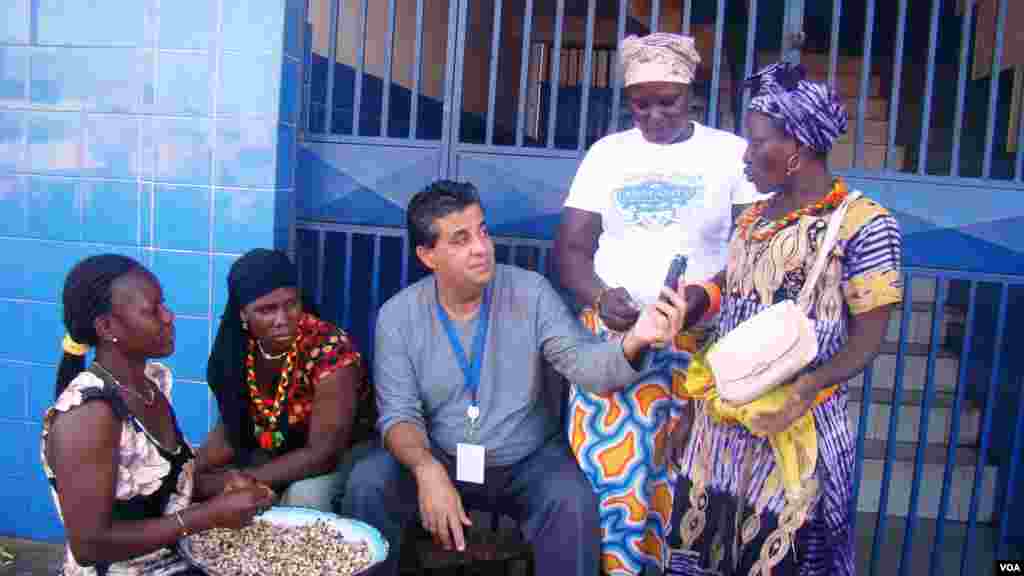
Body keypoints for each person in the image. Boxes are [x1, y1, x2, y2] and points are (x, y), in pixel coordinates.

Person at [340, 180, 688, 576]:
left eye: (483, 231)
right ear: (427, 255)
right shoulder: (398, 316)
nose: (481, 247)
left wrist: (638, 338)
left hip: (526, 460)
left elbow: (587, 366)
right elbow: (398, 415)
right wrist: (426, 470)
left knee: (571, 502)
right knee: (368, 483)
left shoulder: (530, 292)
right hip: (439, 454)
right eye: (460, 239)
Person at [665, 61, 903, 575]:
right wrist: (695, 305)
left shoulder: (865, 225)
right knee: (703, 551)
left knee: (783, 557)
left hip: (795, 430)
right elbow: (734, 292)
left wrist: (805, 389)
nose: (745, 156)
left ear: (796, 146)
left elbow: (867, 341)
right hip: (723, 429)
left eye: (756, 143)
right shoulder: (753, 218)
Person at [554, 32, 768, 575]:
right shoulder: (608, 154)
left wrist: (703, 296)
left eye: (666, 102)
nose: (652, 115)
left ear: (691, 95)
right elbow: (573, 247)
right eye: (640, 103)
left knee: (687, 478)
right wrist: (601, 298)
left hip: (704, 345)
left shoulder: (728, 154)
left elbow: (756, 249)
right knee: (614, 479)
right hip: (616, 344)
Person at [42, 254, 276, 575]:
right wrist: (210, 515)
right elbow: (89, 545)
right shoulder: (90, 415)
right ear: (107, 326)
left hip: (174, 559)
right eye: (153, 311)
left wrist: (221, 485)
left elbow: (157, 489)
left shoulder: (150, 385)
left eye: (163, 305)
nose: (169, 317)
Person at [197, 248, 364, 512]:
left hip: (342, 455)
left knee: (306, 496)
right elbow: (231, 429)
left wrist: (244, 481)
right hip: (275, 450)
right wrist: (191, 476)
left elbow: (324, 454)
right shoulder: (235, 350)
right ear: (243, 315)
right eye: (266, 310)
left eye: (291, 304)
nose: (282, 320)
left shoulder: (329, 350)